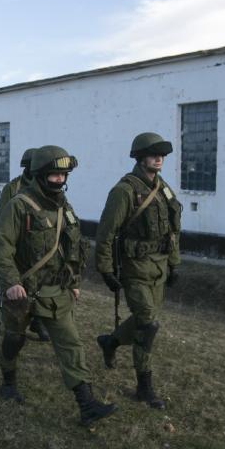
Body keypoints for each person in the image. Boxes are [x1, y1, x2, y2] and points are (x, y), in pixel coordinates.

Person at [0, 145, 117, 425]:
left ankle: (87, 405)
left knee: (71, 344)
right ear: (40, 175)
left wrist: (73, 282)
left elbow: (72, 249)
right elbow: (1, 251)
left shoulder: (65, 208)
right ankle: (8, 381)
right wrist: (11, 282)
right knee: (15, 339)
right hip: (22, 290)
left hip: (54, 292)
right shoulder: (19, 206)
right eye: (54, 175)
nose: (60, 180)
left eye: (63, 175)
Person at [93, 132, 182, 410]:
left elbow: (173, 229)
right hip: (134, 268)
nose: (159, 159)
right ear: (140, 157)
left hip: (159, 266)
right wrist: (106, 269)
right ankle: (145, 386)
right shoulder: (124, 190)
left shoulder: (163, 188)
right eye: (153, 154)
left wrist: (174, 262)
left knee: (148, 320)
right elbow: (105, 234)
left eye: (162, 155)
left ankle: (111, 341)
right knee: (148, 324)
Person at [0, 147, 49, 342]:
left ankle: (38, 320)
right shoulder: (14, 187)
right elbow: (2, 216)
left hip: (40, 244)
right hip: (17, 245)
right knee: (20, 286)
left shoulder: (46, 187)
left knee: (41, 286)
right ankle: (18, 325)